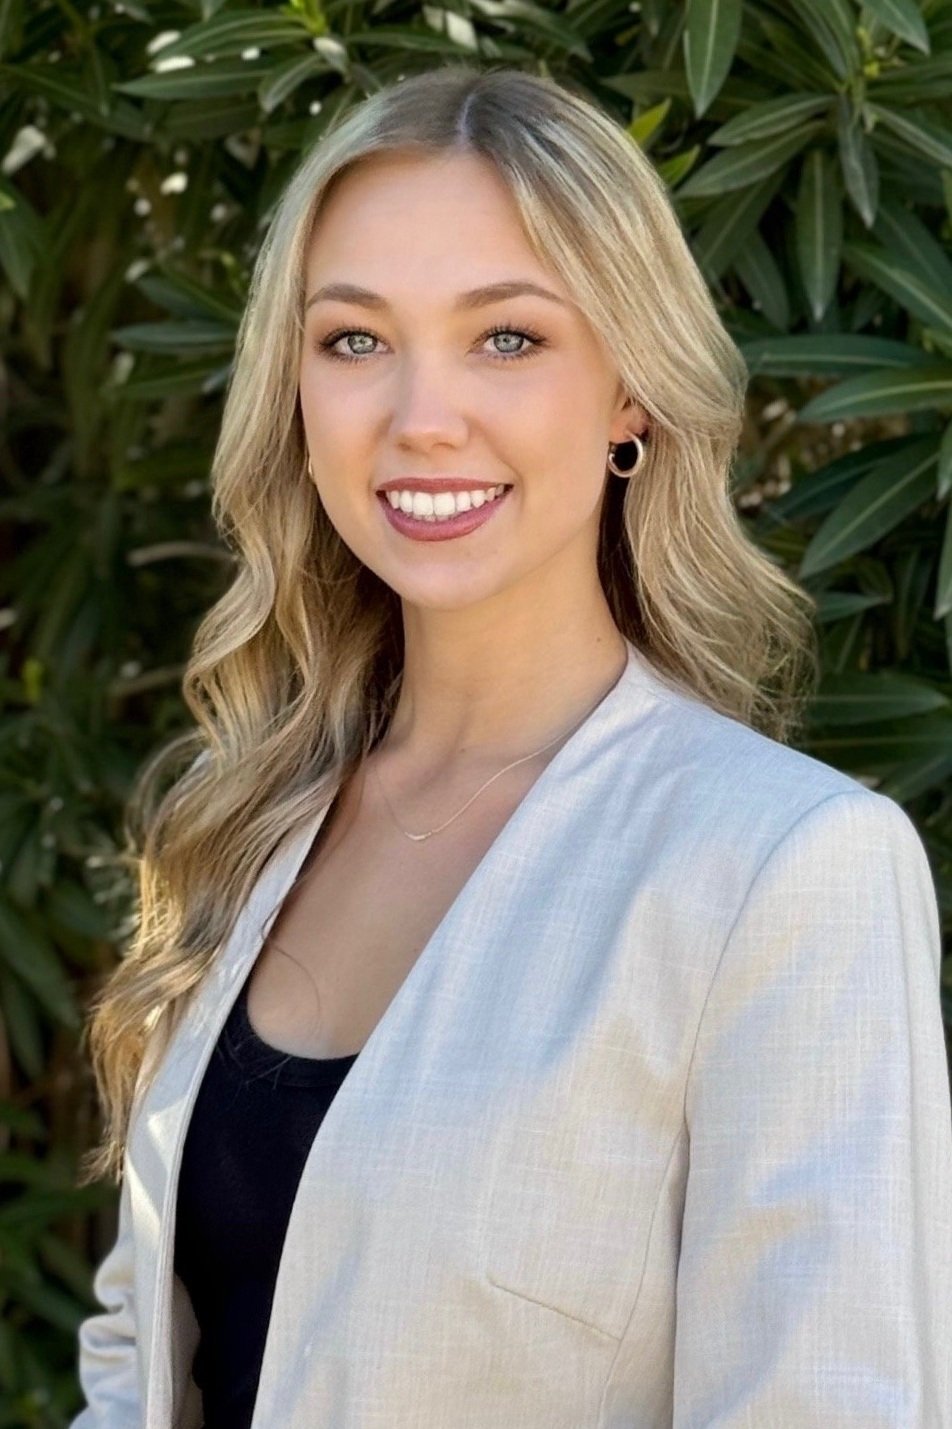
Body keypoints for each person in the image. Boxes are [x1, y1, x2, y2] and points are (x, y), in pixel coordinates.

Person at [70, 63, 952, 1429]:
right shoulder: (243, 827)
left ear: (630, 396)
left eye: (509, 338)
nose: (422, 414)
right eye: (354, 339)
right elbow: (137, 1366)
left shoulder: (786, 870)